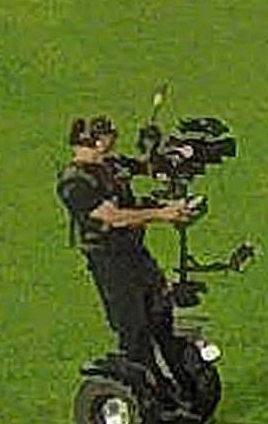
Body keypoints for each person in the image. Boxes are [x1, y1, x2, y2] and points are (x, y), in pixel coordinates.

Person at [59, 115, 199, 366]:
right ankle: (143, 388)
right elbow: (113, 217)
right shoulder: (74, 183)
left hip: (135, 252)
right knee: (133, 327)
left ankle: (178, 382)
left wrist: (151, 146)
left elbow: (149, 167)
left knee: (160, 312)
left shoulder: (110, 165)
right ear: (99, 142)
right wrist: (161, 213)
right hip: (111, 262)